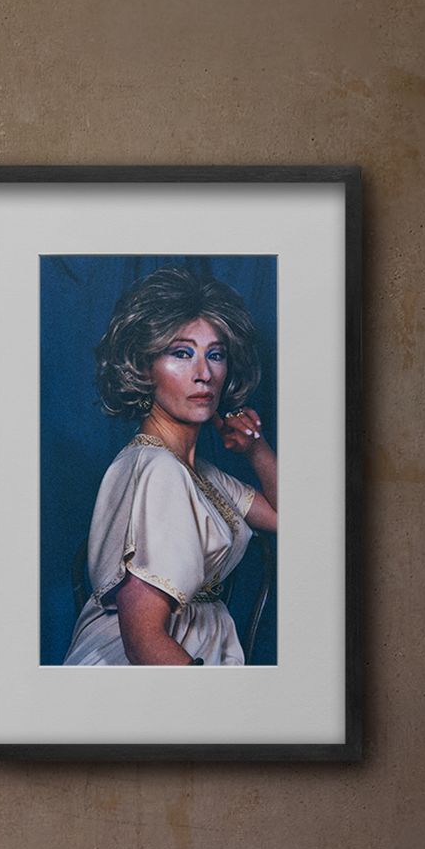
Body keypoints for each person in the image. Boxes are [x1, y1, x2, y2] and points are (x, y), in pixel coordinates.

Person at [62, 265, 277, 666]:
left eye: (215, 355)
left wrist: (255, 447)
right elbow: (143, 642)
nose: (204, 374)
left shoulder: (199, 472)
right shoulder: (158, 469)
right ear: (144, 368)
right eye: (181, 353)